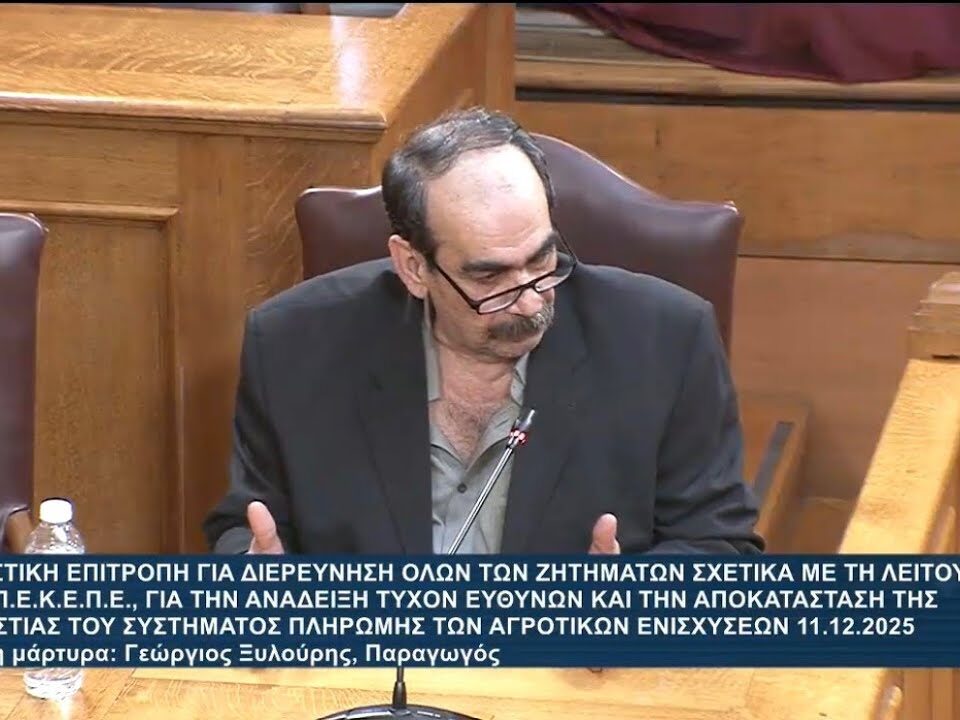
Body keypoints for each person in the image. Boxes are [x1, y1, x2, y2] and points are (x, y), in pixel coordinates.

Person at [203, 107, 764, 556]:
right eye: (489, 277)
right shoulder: (293, 344)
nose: (530, 301)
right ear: (413, 267)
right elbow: (246, 523)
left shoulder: (666, 341)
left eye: (542, 260)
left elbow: (718, 544)